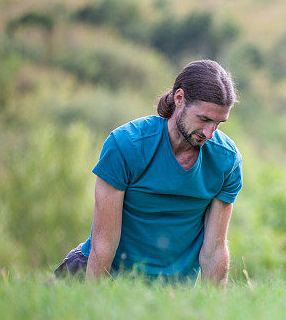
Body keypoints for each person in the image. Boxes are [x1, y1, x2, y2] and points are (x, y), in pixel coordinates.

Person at [54, 60, 242, 285]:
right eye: (204, 119)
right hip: (98, 273)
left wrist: (215, 313)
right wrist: (96, 302)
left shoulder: (226, 160)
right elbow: (104, 243)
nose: (210, 133)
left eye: (218, 123)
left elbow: (214, 250)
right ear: (179, 98)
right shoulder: (126, 145)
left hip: (171, 290)